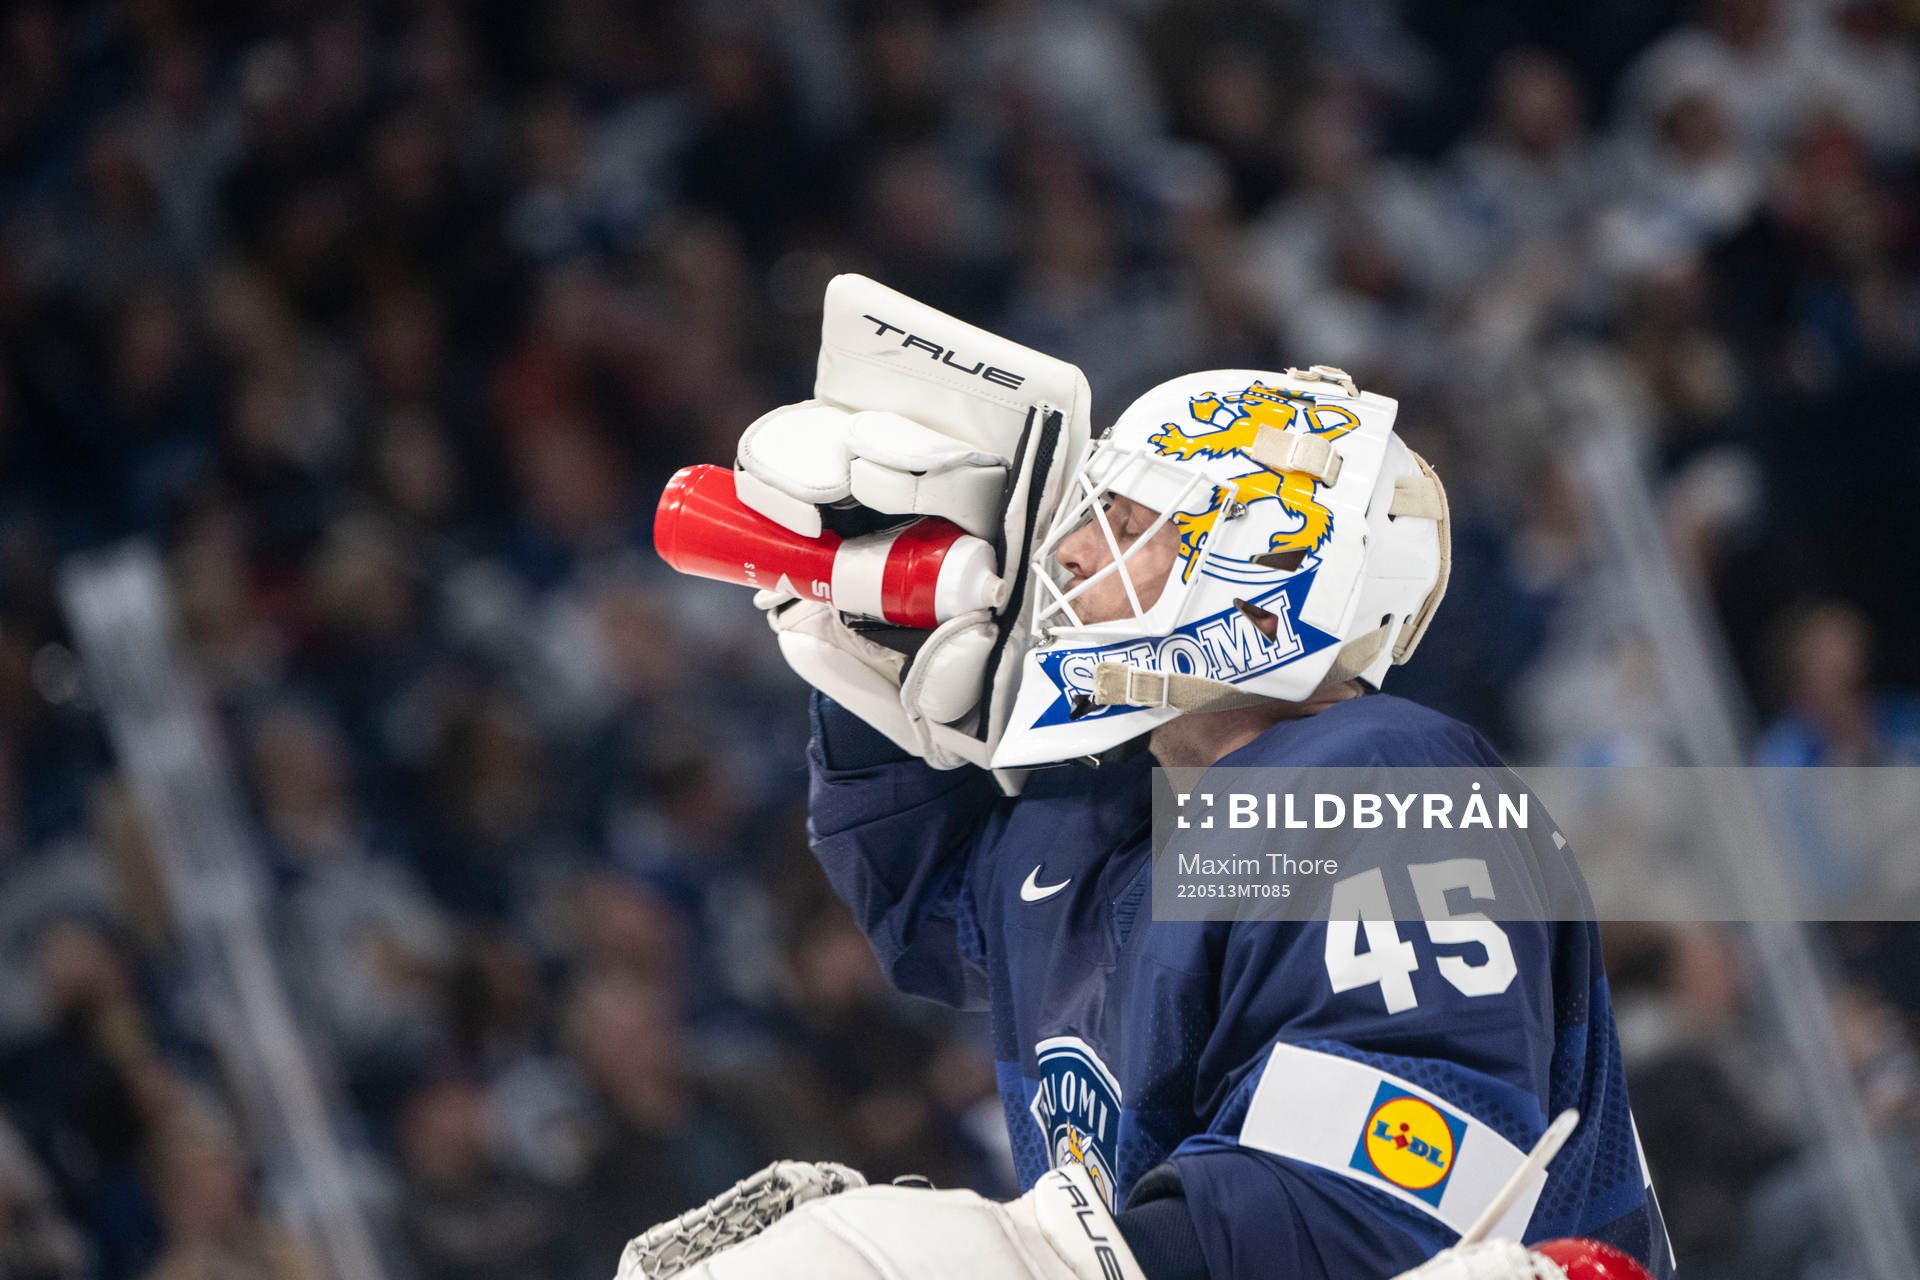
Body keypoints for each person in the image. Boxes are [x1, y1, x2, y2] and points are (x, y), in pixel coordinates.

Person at [636, 282, 1672, 1280]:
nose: (1073, 547)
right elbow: (922, 902)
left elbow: (1384, 1193)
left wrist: (1030, 1261)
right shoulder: (1093, 813)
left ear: (1274, 570)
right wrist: (875, 671)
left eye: (1130, 523)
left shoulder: (1392, 779)